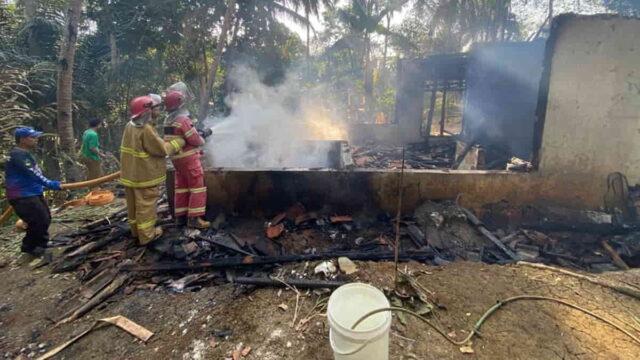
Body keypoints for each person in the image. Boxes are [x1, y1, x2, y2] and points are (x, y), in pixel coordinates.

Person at [120, 95, 184, 245]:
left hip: (130, 174)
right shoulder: (146, 129)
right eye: (156, 108)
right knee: (146, 207)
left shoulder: (130, 125)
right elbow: (161, 149)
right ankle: (147, 236)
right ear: (147, 111)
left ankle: (137, 232)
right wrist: (178, 142)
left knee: (133, 206)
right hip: (144, 176)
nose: (159, 111)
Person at [5, 127, 62, 261]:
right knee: (39, 220)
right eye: (33, 137)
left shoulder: (24, 153)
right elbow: (32, 173)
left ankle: (42, 243)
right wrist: (51, 184)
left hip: (32, 191)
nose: (36, 139)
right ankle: (30, 247)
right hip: (22, 195)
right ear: (23, 140)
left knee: (45, 217)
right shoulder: (18, 156)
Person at [163, 85, 212, 228]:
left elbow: (180, 135)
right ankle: (195, 219)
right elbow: (194, 139)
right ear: (180, 104)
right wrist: (202, 137)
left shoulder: (168, 120)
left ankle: (180, 217)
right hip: (189, 160)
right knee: (197, 187)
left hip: (177, 161)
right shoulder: (182, 120)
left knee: (182, 187)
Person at [80, 119, 106, 187]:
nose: (100, 126)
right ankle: (93, 190)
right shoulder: (94, 134)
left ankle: (95, 188)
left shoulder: (86, 132)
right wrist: (101, 154)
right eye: (100, 124)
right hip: (92, 157)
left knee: (92, 173)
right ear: (97, 125)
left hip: (85, 155)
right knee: (94, 176)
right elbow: (92, 148)